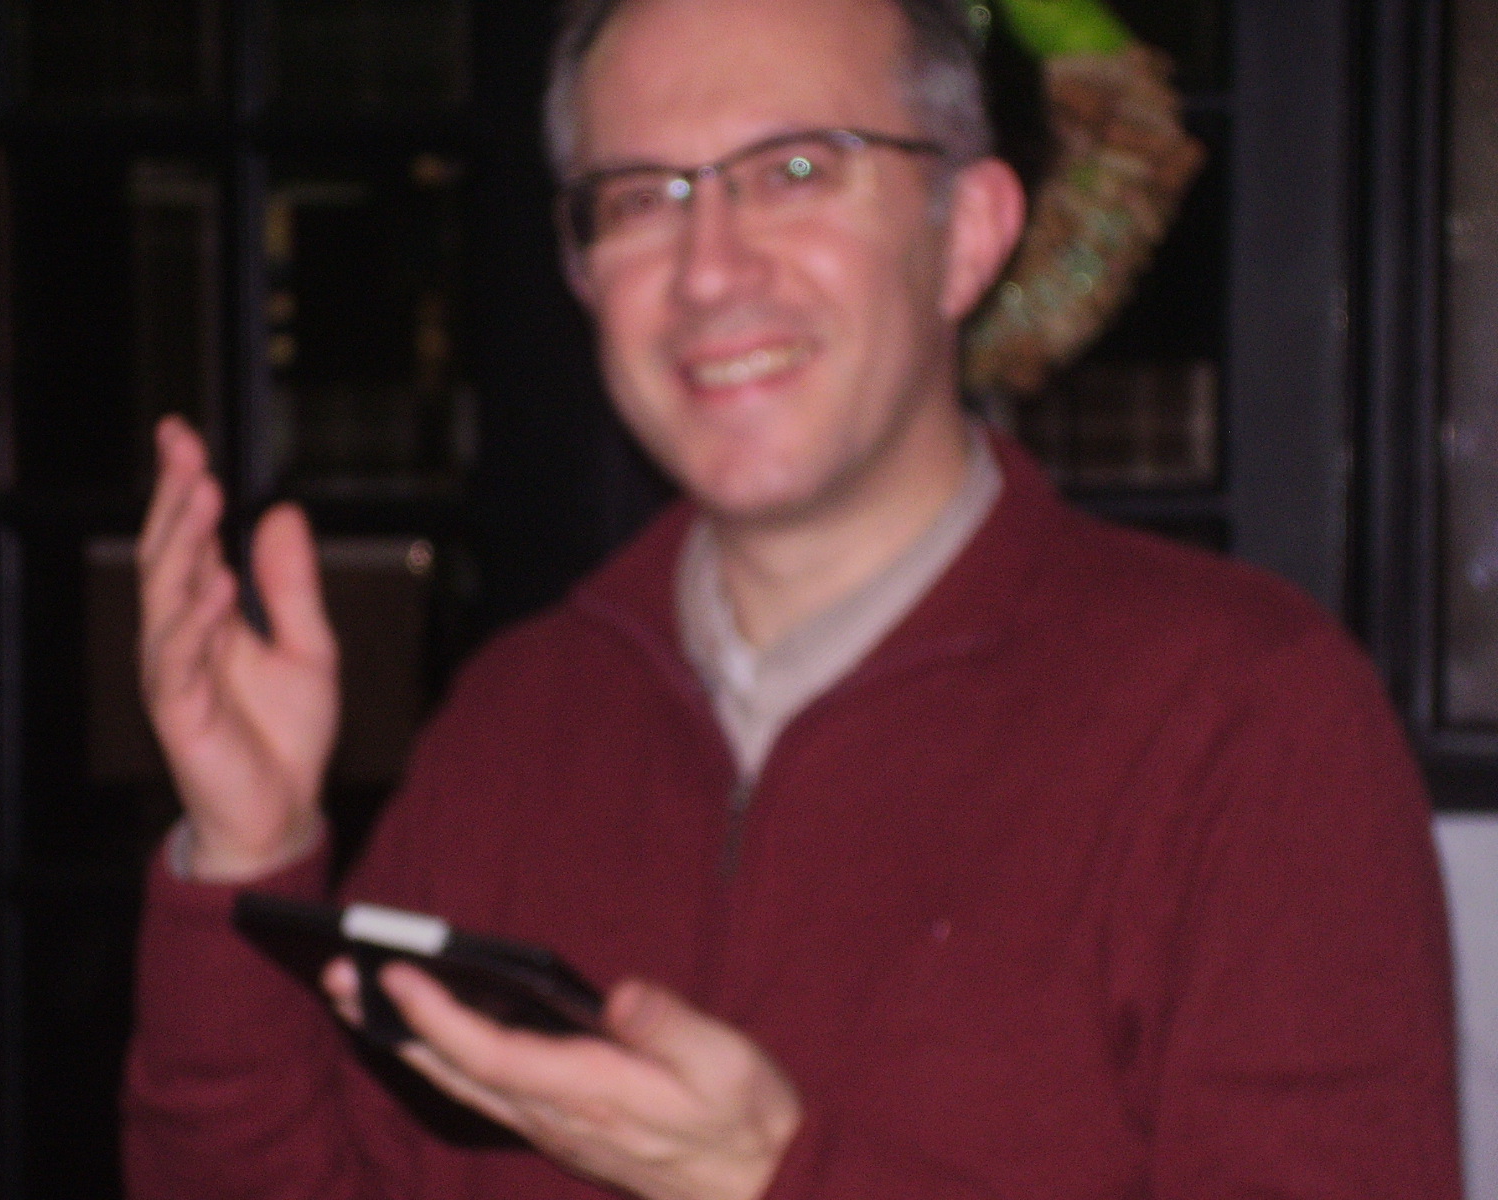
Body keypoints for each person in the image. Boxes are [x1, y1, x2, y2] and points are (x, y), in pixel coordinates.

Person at [123, 0, 1464, 1197]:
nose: (710, 271)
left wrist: (770, 1177)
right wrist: (246, 849)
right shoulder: (517, 717)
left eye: (799, 171)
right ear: (583, 273)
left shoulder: (1249, 719)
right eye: (642, 197)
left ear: (969, 235)